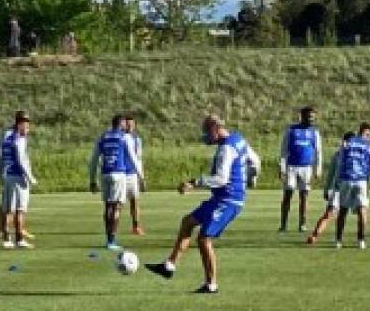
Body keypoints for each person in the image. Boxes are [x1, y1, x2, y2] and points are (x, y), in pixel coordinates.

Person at [145, 115, 260, 294]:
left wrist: (194, 183)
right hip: (220, 198)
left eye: (207, 132)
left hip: (228, 200)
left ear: (215, 128)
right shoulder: (239, 139)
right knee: (188, 222)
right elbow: (256, 161)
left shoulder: (226, 148)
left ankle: (211, 285)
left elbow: (221, 179)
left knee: (204, 238)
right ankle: (169, 266)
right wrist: (252, 177)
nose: (206, 137)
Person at [88, 114, 142, 250]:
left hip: (105, 173)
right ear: (121, 124)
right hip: (119, 173)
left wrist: (92, 180)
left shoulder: (103, 136)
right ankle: (112, 241)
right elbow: (133, 157)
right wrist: (141, 176)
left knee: (107, 206)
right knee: (116, 207)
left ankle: (108, 239)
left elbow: (94, 159)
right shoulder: (125, 137)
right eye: (125, 123)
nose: (126, 125)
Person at [331, 123, 370, 249]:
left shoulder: (347, 143)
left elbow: (340, 163)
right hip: (361, 181)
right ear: (365, 134)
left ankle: (338, 240)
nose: (369, 137)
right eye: (369, 135)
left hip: (346, 180)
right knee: (362, 210)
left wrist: (337, 183)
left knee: (343, 210)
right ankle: (361, 240)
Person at [277, 106, 323, 233]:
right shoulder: (291, 130)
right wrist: (282, 168)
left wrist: (317, 169)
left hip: (307, 168)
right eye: (309, 117)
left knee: (304, 196)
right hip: (291, 167)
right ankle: (283, 224)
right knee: (288, 195)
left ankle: (302, 224)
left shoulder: (314, 132)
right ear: (302, 117)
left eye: (313, 117)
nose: (311, 119)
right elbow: (284, 150)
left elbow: (318, 152)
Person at [0, 111, 37, 250]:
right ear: (19, 125)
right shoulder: (19, 139)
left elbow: (1, 159)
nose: (28, 129)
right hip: (18, 177)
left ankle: (7, 238)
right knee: (19, 210)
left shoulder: (7, 138)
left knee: (8, 208)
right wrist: (30, 177)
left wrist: (2, 175)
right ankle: (17, 239)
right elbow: (21, 160)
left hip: (8, 176)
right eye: (26, 126)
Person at [306, 132, 353, 245]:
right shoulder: (337, 155)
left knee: (361, 212)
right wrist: (326, 189)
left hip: (353, 189)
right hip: (337, 189)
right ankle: (315, 235)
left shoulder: (359, 155)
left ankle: (360, 238)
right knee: (329, 213)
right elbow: (331, 174)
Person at [124, 115, 145, 235]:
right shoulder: (120, 138)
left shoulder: (137, 140)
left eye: (132, 124)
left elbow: (139, 158)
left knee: (135, 201)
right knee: (118, 203)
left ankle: (136, 226)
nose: (130, 126)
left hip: (132, 174)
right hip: (121, 174)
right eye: (127, 124)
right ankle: (112, 229)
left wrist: (141, 176)